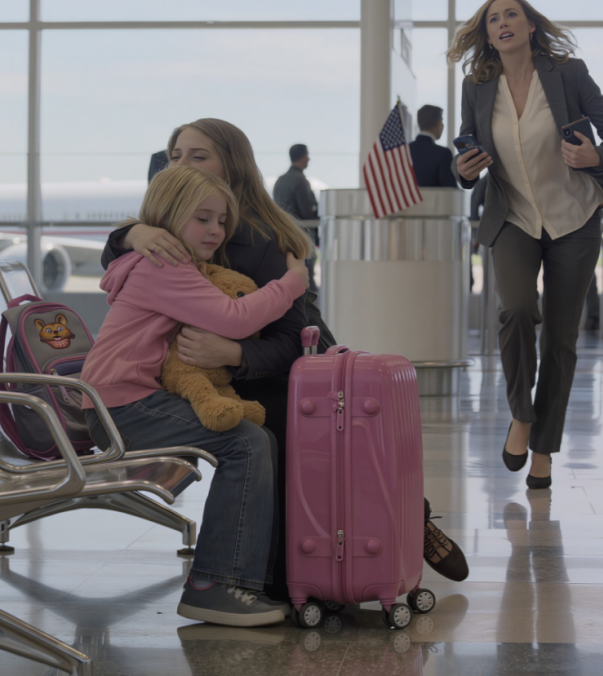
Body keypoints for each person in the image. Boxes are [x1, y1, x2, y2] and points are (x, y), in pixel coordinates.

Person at [101, 118, 470, 589]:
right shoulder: (166, 234)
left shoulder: (258, 239)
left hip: (288, 373)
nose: (182, 164)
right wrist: (129, 235)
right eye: (175, 155)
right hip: (225, 380)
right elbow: (121, 268)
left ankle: (389, 526)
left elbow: (297, 340)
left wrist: (233, 352)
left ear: (231, 166)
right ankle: (262, 570)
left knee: (297, 437)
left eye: (198, 155)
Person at [82, 166, 309, 627]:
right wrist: (292, 284)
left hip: (120, 400)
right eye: (202, 218)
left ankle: (226, 581)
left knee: (252, 438)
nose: (215, 230)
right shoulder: (164, 265)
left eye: (221, 221)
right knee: (247, 442)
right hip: (121, 407)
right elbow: (235, 318)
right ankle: (215, 585)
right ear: (168, 217)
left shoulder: (164, 264)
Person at [448, 0, 603, 489]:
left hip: (574, 217)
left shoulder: (568, 73)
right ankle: (522, 415)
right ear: (487, 34)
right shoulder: (477, 85)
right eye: (494, 18)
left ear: (530, 26)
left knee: (560, 337)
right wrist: (464, 170)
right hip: (513, 218)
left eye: (512, 15)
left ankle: (544, 447)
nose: (503, 23)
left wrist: (597, 157)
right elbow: (469, 149)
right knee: (514, 310)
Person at [273, 143, 318, 290]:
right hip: (301, 237)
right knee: (307, 280)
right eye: (308, 156)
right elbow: (306, 213)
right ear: (303, 156)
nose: (309, 159)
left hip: (283, 237)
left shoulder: (280, 181)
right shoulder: (300, 181)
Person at [409, 105, 458, 188]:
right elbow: (450, 191)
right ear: (438, 124)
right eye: (442, 122)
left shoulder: (403, 150)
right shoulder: (443, 154)